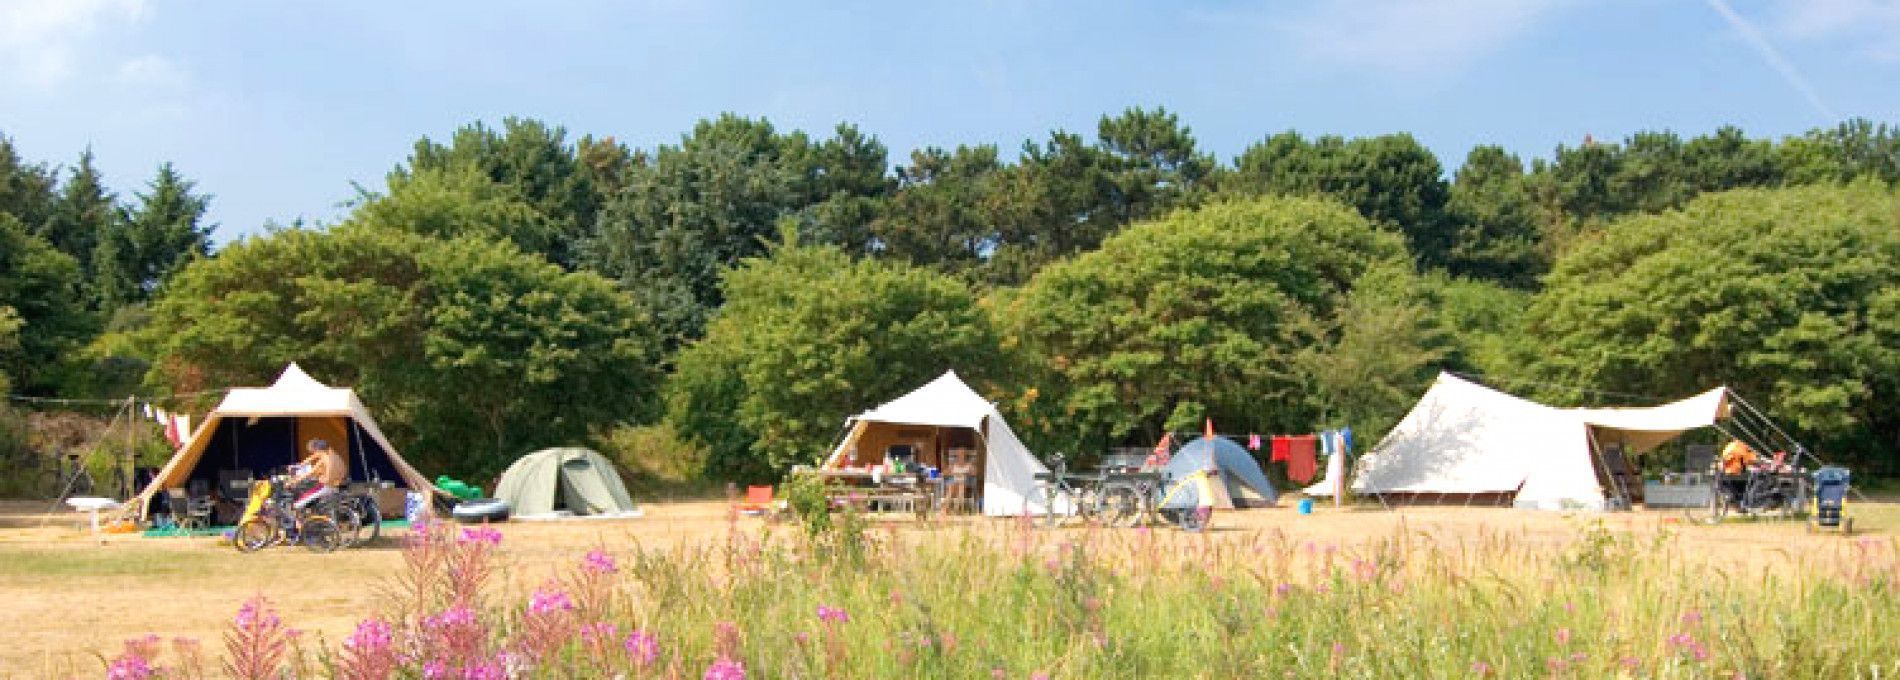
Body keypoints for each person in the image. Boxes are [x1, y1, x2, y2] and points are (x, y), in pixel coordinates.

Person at [292, 438, 348, 510]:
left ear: (318, 449)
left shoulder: (326, 459)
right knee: (311, 492)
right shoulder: (332, 454)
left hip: (329, 486)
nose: (314, 453)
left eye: (314, 451)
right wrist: (299, 466)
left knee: (297, 504)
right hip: (338, 483)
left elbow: (313, 472)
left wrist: (295, 481)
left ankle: (302, 520)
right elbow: (312, 458)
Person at [1719, 439, 1757, 505]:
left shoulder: (1729, 446)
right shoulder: (1743, 448)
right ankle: (1743, 502)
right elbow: (1752, 461)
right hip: (1738, 475)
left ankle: (1736, 500)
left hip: (1727, 475)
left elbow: (1723, 461)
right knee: (1753, 482)